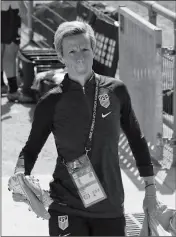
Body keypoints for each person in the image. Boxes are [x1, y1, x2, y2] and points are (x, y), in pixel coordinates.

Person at [13, 21, 160, 236]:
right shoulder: (50, 102)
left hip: (110, 205)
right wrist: (19, 173)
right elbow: (31, 149)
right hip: (65, 203)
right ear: (61, 56)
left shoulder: (116, 91)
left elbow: (136, 139)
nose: (79, 55)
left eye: (84, 48)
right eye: (71, 51)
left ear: (93, 50)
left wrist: (150, 189)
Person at [1, 1, 34, 103]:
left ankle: (2, 85)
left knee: (3, 49)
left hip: (5, 9)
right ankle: (13, 91)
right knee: (10, 50)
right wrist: (21, 4)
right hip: (8, 10)